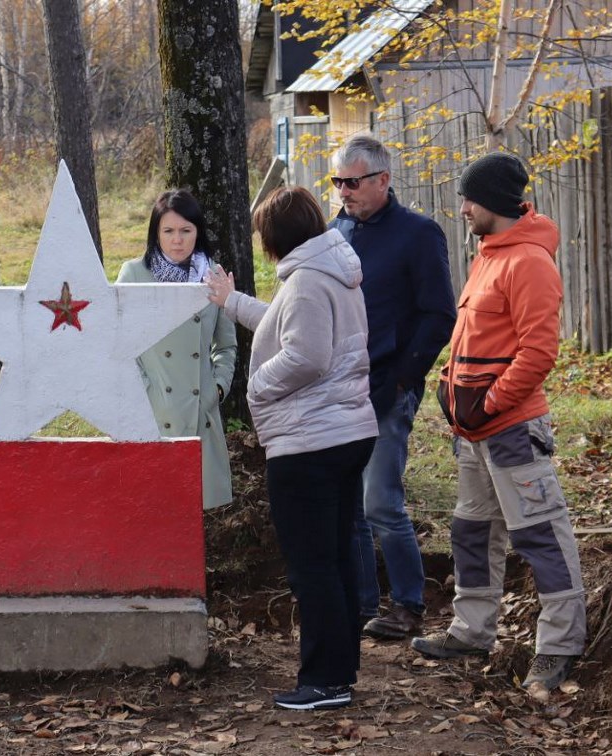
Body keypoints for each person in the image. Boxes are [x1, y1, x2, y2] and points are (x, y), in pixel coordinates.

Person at [410, 152, 586, 692]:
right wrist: (450, 391)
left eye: (469, 199)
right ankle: (472, 630)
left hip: (511, 431)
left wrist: (486, 406)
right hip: (474, 437)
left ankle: (559, 647)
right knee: (471, 532)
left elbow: (538, 353)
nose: (462, 208)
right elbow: (476, 341)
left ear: (495, 203)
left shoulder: (529, 261)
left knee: (540, 537)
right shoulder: (488, 255)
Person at [206, 186, 377, 711]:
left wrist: (255, 386)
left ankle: (324, 681)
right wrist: (230, 302)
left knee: (313, 564)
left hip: (310, 441)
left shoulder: (305, 280)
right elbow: (284, 325)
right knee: (338, 556)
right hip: (345, 433)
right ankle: (340, 670)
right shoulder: (328, 270)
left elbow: (305, 356)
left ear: (276, 237)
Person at [329, 135, 457, 640]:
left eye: (353, 182)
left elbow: (440, 315)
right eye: (337, 181)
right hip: (341, 387)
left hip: (390, 386)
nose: (343, 191)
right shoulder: (336, 231)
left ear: (383, 180)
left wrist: (405, 378)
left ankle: (408, 604)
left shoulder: (418, 234)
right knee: (350, 503)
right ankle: (362, 604)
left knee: (381, 501)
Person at [117, 190, 236, 510]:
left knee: (194, 515)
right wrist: (144, 391)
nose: (178, 240)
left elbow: (225, 344)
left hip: (201, 412)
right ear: (155, 234)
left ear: (198, 232)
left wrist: (218, 388)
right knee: (154, 511)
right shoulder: (133, 275)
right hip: (153, 411)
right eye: (168, 231)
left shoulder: (214, 277)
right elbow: (118, 346)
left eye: (186, 231)